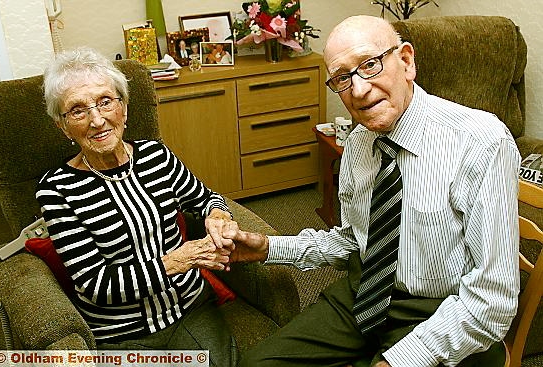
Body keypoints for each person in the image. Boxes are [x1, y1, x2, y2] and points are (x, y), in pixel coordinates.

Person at [223, 15, 521, 367]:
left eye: (370, 65)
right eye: (343, 78)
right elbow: (353, 242)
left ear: (406, 61)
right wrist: (269, 247)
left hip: (444, 312)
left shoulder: (482, 143)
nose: (359, 90)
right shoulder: (359, 144)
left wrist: (398, 360)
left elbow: (493, 301)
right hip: (364, 295)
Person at [36, 47, 235, 366]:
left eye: (105, 101)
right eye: (77, 110)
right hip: (122, 334)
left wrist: (218, 215)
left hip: (191, 309)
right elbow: (96, 284)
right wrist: (180, 260)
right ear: (63, 126)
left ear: (124, 108)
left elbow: (206, 198)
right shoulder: (56, 190)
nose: (97, 120)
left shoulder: (156, 155)